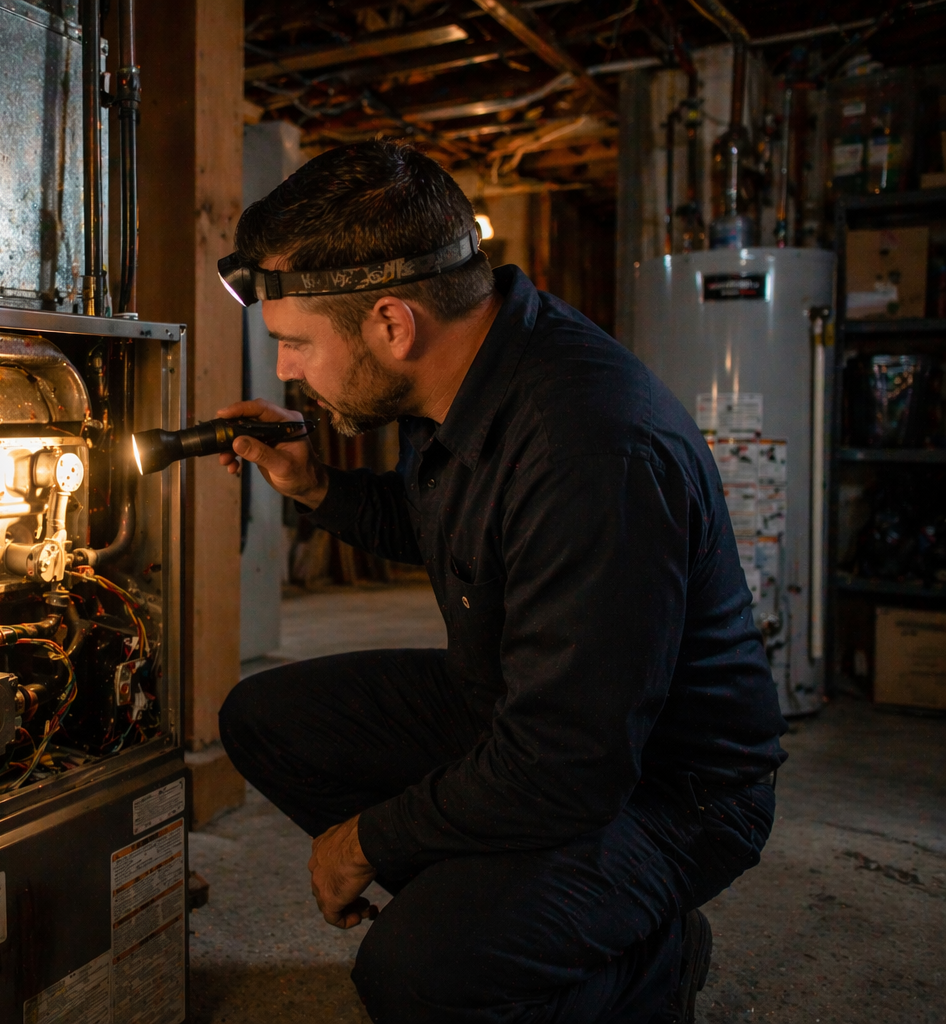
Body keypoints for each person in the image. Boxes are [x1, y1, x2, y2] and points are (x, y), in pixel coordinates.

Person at [214, 141, 786, 1023]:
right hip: (531, 712)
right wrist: (313, 485)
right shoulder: (466, 376)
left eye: (293, 344)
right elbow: (441, 522)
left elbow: (570, 766)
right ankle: (521, 909)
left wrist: (369, 839)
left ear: (393, 324)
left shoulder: (590, 449)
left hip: (671, 788)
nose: (286, 370)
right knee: (266, 721)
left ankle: (650, 959)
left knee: (415, 974)